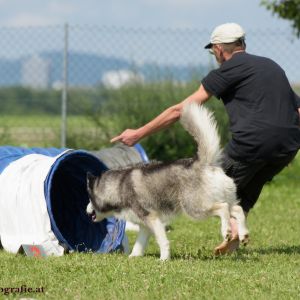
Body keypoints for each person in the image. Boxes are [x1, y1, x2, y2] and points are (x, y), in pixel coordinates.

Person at [111, 23, 300, 255]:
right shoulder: (272, 66)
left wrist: (139, 133)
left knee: (213, 181)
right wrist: (285, 143)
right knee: (243, 188)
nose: (215, 57)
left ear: (219, 49)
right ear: (243, 43)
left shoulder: (228, 70)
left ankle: (233, 231)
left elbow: (181, 110)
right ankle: (234, 236)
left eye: (213, 53)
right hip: (288, 144)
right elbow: (297, 109)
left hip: (253, 142)